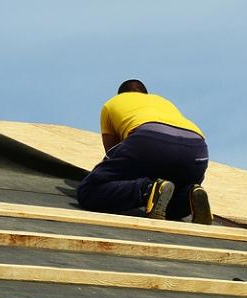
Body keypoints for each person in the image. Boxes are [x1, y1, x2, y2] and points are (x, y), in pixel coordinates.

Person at [76, 79, 212, 224]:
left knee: (88, 191)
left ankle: (148, 190)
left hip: (149, 140)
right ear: (146, 94)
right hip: (197, 150)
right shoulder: (163, 101)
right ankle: (190, 194)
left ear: (121, 94)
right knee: (169, 207)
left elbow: (112, 153)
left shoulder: (112, 104)